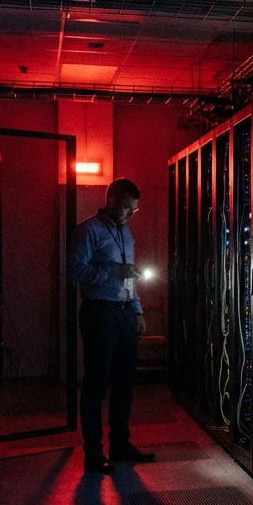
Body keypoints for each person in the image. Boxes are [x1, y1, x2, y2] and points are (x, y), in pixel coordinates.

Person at [68, 178, 156, 473]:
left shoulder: (125, 233)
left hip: (123, 313)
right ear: (113, 202)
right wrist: (112, 271)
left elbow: (128, 276)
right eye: (129, 209)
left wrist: (137, 310)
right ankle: (93, 452)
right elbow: (75, 271)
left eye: (135, 210)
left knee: (125, 381)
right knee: (96, 383)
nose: (132, 215)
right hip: (99, 312)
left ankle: (120, 444)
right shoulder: (87, 231)